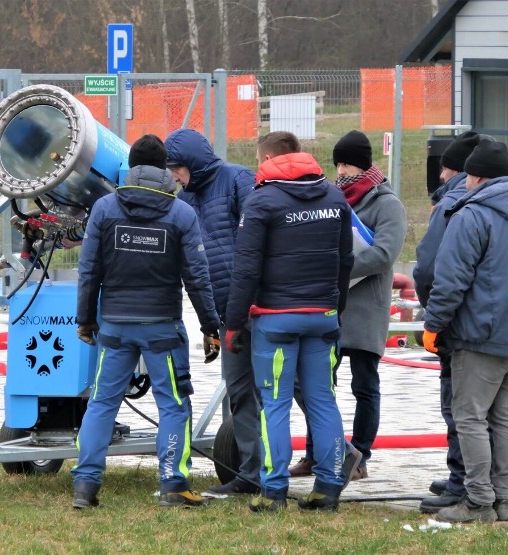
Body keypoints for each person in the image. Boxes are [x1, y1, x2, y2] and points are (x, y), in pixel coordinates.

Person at [71, 134, 222, 509]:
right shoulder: (181, 213)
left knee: (102, 403)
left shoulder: (104, 209)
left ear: (130, 168)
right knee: (173, 404)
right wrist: (210, 326)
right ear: (164, 170)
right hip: (162, 327)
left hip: (115, 327)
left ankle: (86, 486)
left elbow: (89, 270)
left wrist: (86, 320)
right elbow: (198, 277)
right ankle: (173, 484)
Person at [223, 131, 360, 512]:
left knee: (276, 404)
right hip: (323, 317)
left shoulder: (261, 201)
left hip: (276, 320)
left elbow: (245, 268)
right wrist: (337, 307)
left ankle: (274, 491)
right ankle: (328, 489)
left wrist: (234, 324)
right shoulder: (335, 197)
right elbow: (345, 260)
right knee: (322, 401)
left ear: (266, 160)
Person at [422, 138, 508, 523]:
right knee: (507, 416)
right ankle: (505, 499)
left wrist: (433, 325)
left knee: (470, 417)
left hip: (479, 334)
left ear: (476, 176)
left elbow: (450, 280)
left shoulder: (471, 214)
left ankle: (478, 501)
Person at [288, 130, 406, 481]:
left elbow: (384, 254)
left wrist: (339, 267)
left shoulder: (387, 204)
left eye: (347, 163)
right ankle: (318, 452)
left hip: (365, 307)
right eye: (337, 163)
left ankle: (360, 455)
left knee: (364, 385)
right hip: (329, 306)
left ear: (364, 164)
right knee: (317, 383)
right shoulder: (331, 198)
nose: (341, 171)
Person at [164, 128, 263, 495]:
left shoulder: (237, 178)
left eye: (176, 168)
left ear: (190, 163)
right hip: (224, 314)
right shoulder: (184, 199)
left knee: (291, 390)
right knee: (239, 392)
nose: (173, 176)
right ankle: (251, 475)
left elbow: (256, 240)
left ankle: (335, 455)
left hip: (256, 307)